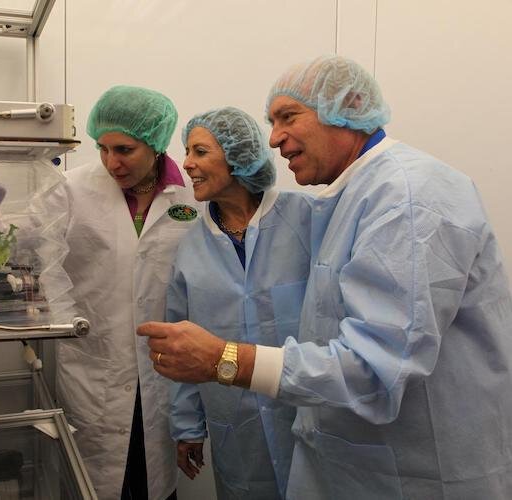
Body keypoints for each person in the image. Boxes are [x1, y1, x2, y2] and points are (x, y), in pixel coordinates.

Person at [138, 55, 512, 499]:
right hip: (353, 464)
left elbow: (375, 369)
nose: (273, 139)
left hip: (419, 473)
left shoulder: (407, 199)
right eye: (271, 122)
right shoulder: (349, 200)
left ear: (350, 105)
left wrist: (225, 358)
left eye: (288, 117)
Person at [51, 85, 202, 499]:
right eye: (102, 148)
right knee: (95, 483)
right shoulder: (70, 188)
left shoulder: (192, 194)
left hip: (164, 369)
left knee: (151, 483)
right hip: (93, 364)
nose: (110, 162)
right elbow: (31, 255)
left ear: (154, 144)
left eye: (124, 149)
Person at [168, 107, 310, 499]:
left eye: (199, 152)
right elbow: (181, 343)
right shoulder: (190, 249)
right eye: (187, 152)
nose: (187, 164)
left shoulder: (306, 220)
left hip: (308, 420)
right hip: (235, 428)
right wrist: (188, 427)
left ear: (238, 156)